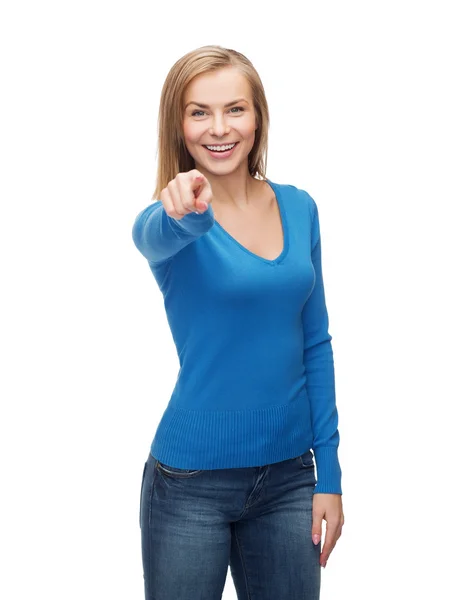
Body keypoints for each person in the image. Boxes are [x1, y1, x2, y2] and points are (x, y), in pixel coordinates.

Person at [132, 44, 344, 600]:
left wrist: (332, 475)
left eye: (235, 109)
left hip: (291, 480)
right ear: (178, 126)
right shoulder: (173, 221)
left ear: (258, 118)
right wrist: (178, 210)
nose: (218, 128)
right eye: (199, 111)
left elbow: (315, 343)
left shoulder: (300, 208)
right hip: (189, 485)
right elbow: (151, 233)